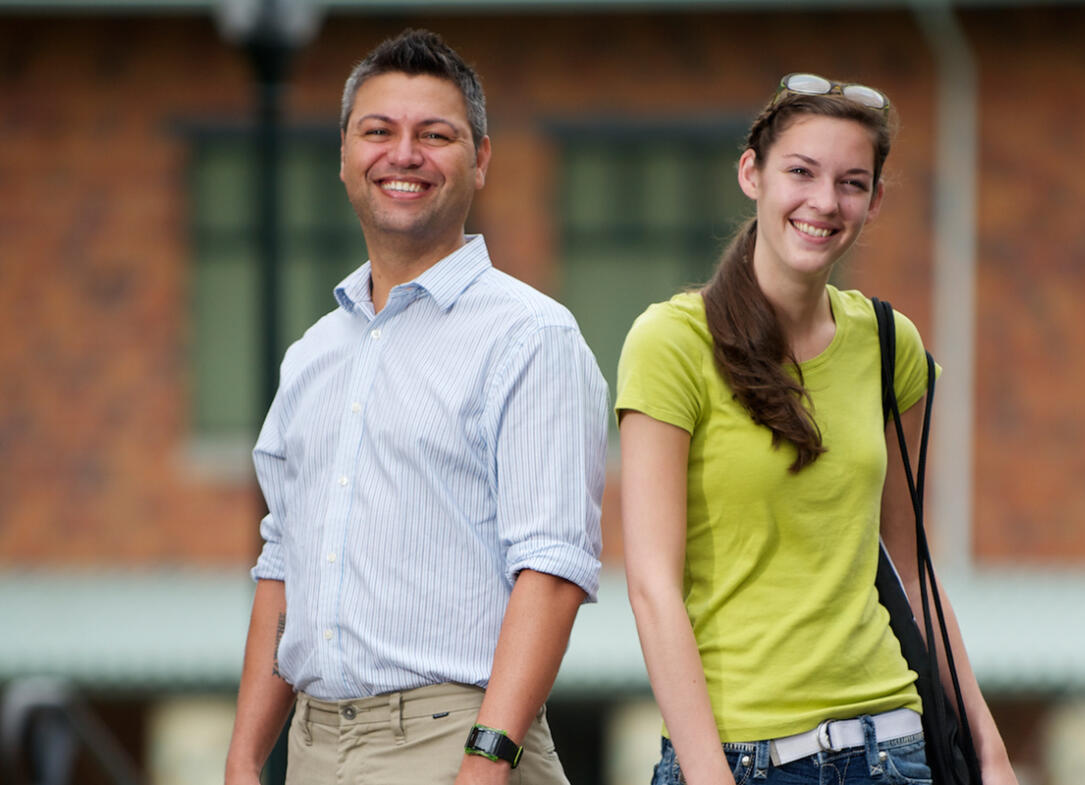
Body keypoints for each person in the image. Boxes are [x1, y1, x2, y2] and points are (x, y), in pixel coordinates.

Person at [224, 29, 607, 785]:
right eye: (379, 131)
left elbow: (553, 570)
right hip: (312, 746)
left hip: (453, 741)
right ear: (344, 157)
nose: (405, 154)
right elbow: (283, 567)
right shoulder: (313, 356)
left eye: (435, 135)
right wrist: (242, 758)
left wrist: (486, 758)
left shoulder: (530, 336)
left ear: (481, 158)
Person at [617, 73, 1018, 785]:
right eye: (800, 172)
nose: (824, 202)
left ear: (874, 200)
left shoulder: (890, 343)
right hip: (744, 755)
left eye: (851, 182)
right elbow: (652, 585)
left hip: (891, 747)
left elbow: (909, 565)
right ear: (752, 173)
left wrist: (988, 744)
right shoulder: (672, 342)